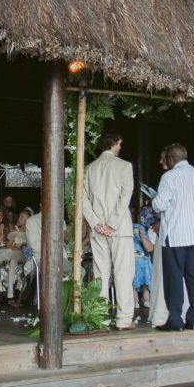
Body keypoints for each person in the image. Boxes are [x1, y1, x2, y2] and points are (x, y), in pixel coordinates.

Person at [81, 131, 136, 330]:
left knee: (100, 273)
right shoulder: (124, 166)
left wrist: (96, 223)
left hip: (98, 231)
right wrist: (112, 222)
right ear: (113, 143)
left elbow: (83, 200)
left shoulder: (89, 168)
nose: (120, 147)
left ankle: (101, 318)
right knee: (123, 272)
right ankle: (123, 319)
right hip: (119, 228)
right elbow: (125, 196)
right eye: (120, 144)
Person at [152, 143, 194, 331]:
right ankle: (193, 319)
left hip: (174, 236)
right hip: (193, 236)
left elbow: (160, 205)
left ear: (171, 159)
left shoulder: (169, 177)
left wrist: (153, 201)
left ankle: (175, 320)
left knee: (174, 278)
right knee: (192, 277)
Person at [132, 207, 155, 309]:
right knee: (132, 264)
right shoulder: (119, 228)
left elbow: (149, 248)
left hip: (141, 256)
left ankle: (146, 298)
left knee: (146, 263)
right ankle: (134, 299)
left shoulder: (139, 227)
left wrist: (142, 237)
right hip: (128, 257)